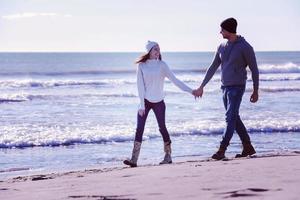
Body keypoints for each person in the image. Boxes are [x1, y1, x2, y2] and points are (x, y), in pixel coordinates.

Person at [193, 17, 259, 160]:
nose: (220, 32)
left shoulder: (245, 47)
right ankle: (247, 147)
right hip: (224, 88)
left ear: (229, 30)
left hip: (237, 88)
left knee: (230, 118)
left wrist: (255, 90)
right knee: (234, 118)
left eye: (222, 29)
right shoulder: (221, 46)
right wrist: (202, 86)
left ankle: (222, 149)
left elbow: (254, 69)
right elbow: (212, 67)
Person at [124, 41, 195, 167]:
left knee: (162, 128)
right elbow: (140, 86)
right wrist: (141, 105)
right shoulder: (141, 66)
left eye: (159, 49)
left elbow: (175, 81)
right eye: (155, 49)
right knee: (139, 129)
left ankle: (168, 156)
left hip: (159, 102)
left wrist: (191, 91)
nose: (158, 52)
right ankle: (134, 159)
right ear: (149, 51)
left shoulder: (162, 65)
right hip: (145, 101)